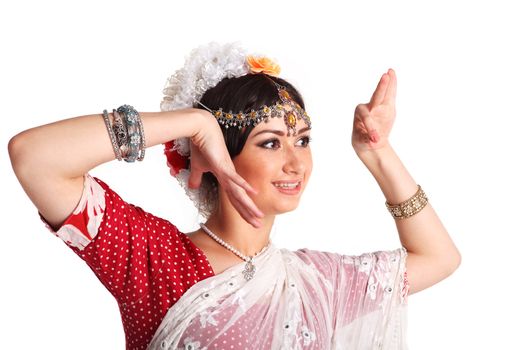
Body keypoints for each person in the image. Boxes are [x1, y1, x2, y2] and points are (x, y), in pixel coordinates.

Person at [8, 42, 461, 349]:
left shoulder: (316, 282)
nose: (295, 162)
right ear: (217, 154)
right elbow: (34, 157)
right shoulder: (154, 257)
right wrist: (194, 123)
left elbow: (439, 257)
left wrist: (377, 153)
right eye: (270, 142)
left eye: (302, 140)